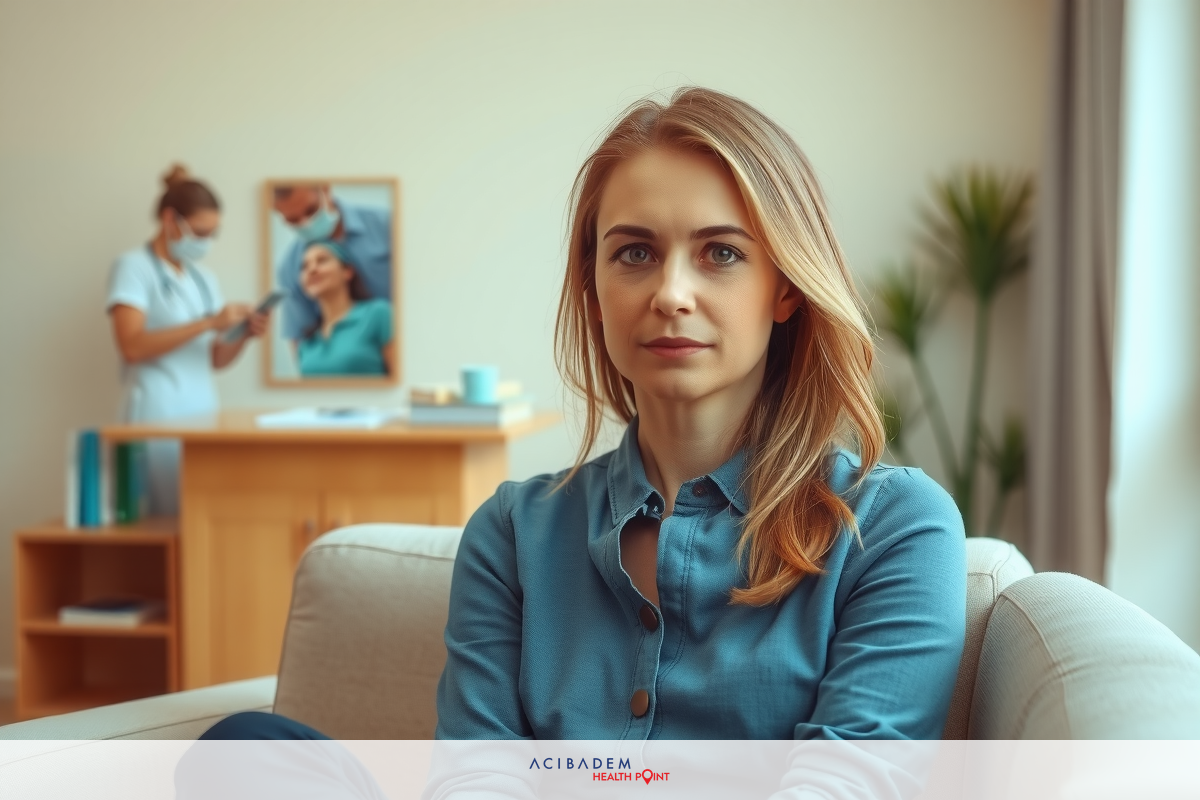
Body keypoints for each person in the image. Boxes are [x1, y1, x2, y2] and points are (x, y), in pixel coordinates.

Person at [192, 87, 966, 798]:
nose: (670, 292)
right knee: (247, 748)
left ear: (787, 286)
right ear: (594, 288)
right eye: (634, 252)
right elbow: (478, 773)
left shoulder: (893, 526)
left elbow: (849, 783)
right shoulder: (514, 531)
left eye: (721, 253)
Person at [107, 165, 269, 515]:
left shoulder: (202, 278)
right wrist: (209, 321)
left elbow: (214, 359)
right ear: (170, 220)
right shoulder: (133, 267)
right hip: (153, 412)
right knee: (158, 522)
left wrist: (243, 336)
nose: (205, 242)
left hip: (202, 413)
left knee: (198, 518)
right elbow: (131, 345)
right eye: (199, 232)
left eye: (213, 234)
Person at [273, 184, 392, 345]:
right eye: (293, 220)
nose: (306, 223)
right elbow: (302, 343)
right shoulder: (289, 268)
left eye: (311, 211)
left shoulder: (388, 225)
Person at [295, 240, 394, 376]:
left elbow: (403, 381)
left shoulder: (379, 314)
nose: (312, 269)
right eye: (304, 266)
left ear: (347, 271)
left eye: (322, 260)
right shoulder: (307, 343)